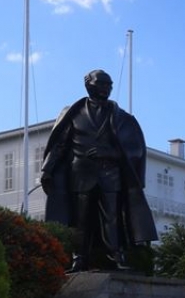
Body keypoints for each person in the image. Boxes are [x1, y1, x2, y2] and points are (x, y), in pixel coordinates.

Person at [41, 69, 158, 273]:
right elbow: (60, 144)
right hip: (80, 175)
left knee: (112, 218)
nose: (107, 88)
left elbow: (135, 147)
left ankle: (116, 256)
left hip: (110, 175)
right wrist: (47, 169)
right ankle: (79, 258)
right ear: (89, 84)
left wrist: (112, 153)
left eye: (109, 84)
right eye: (102, 83)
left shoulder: (122, 118)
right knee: (80, 220)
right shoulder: (73, 113)